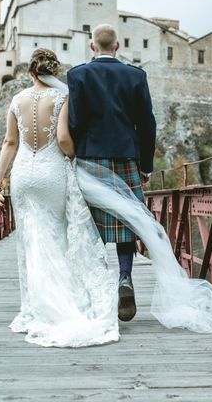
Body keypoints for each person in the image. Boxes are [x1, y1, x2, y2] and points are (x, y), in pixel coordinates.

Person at [0, 44, 212, 349]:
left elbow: (9, 141)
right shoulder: (77, 91)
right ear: (55, 71)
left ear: (30, 71)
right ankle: (120, 277)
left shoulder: (23, 97)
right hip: (67, 169)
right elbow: (71, 136)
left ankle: (37, 303)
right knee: (73, 231)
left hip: (24, 176)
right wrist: (79, 158)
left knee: (34, 239)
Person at [66, 23, 155, 322]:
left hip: (90, 158)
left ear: (92, 46)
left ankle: (98, 289)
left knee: (90, 224)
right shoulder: (135, 75)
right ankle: (125, 278)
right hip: (126, 156)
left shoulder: (77, 75)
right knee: (126, 220)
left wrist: (75, 153)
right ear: (116, 47)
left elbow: (74, 122)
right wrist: (146, 165)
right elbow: (147, 124)